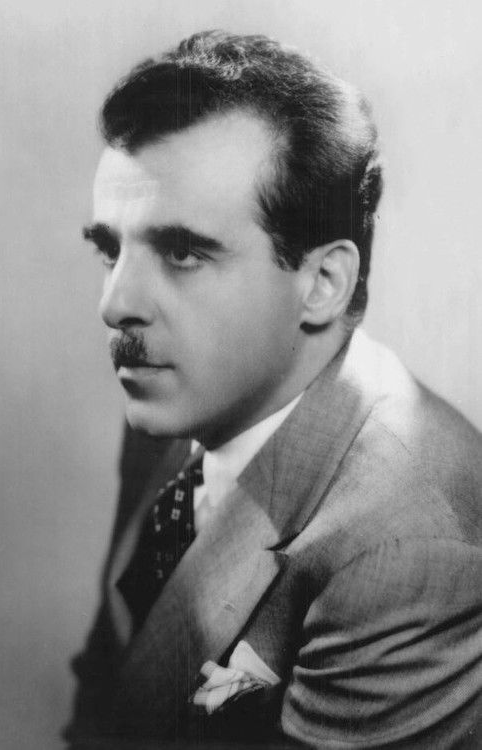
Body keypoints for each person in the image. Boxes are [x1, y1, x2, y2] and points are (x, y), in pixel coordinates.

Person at [66, 30, 482, 748]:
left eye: (183, 252)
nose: (115, 304)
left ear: (323, 282)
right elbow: (109, 692)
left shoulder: (408, 548)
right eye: (111, 250)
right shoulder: (178, 403)